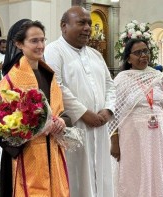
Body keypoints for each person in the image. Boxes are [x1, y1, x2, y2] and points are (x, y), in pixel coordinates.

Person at [44, 6, 116, 197]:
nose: (87, 28)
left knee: (101, 174)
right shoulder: (54, 50)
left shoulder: (95, 54)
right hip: (75, 127)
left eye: (89, 23)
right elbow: (56, 86)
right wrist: (85, 113)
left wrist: (108, 110)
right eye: (81, 23)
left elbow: (110, 85)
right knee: (77, 176)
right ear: (64, 26)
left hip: (100, 127)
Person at [0, 19, 70, 197]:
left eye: (43, 40)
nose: (40, 45)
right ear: (19, 44)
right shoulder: (9, 82)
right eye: (34, 41)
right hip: (25, 156)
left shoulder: (49, 75)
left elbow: (63, 113)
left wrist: (61, 122)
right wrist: (32, 128)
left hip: (53, 153)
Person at [109, 39, 163, 196]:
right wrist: (114, 142)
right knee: (134, 175)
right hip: (132, 136)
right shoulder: (121, 79)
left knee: (159, 171)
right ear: (128, 58)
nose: (143, 55)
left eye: (146, 51)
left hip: (158, 136)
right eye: (138, 52)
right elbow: (113, 113)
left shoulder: (160, 77)